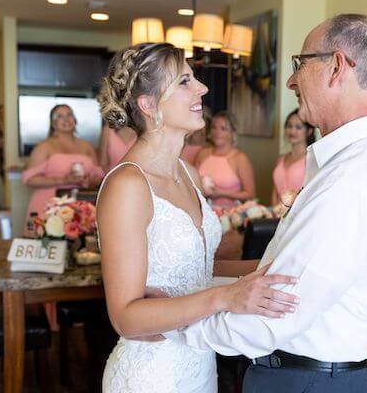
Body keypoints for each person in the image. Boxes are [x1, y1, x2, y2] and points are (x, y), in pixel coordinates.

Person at [163, 14, 367, 393]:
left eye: (301, 63)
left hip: (306, 381)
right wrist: (204, 286)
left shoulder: (351, 177)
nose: (293, 79)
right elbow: (275, 273)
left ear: (337, 67)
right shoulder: (363, 159)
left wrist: (167, 324)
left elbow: (276, 312)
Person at [95, 42, 298, 393]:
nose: (202, 88)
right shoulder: (127, 185)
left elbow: (200, 268)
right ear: (148, 105)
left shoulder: (187, 172)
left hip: (198, 364)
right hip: (151, 375)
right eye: (185, 81)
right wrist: (225, 298)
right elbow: (126, 317)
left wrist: (278, 266)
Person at [22, 104, 104, 331]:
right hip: (49, 206)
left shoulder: (86, 146)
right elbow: (29, 179)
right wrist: (64, 179)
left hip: (80, 208)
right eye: (60, 116)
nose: (65, 119)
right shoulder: (45, 147)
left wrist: (89, 181)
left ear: (75, 120)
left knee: (81, 258)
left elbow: (99, 175)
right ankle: (49, 319)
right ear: (52, 122)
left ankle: (80, 315)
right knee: (51, 258)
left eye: (69, 114)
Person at [195, 111, 256, 209]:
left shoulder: (240, 158)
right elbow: (193, 182)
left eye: (223, 129)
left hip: (229, 215)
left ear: (233, 133)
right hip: (202, 211)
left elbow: (250, 194)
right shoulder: (203, 153)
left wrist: (220, 193)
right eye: (214, 127)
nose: (217, 132)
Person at [271, 109, 315, 205]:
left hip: (299, 216)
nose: (292, 131)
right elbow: (275, 193)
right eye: (289, 126)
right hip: (277, 216)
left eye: (298, 127)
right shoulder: (280, 159)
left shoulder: (312, 160)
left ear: (309, 131)